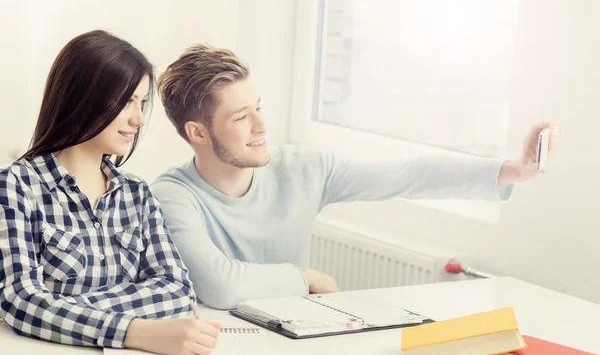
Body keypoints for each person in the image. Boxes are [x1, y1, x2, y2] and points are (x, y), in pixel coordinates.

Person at [152, 44, 561, 310]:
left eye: (258, 107)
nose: (262, 126)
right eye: (242, 117)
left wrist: (513, 170)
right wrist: (308, 278)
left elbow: (407, 175)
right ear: (198, 133)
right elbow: (221, 286)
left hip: (301, 333)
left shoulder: (301, 169)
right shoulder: (171, 197)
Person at [0, 31, 220, 354]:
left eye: (141, 102)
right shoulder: (16, 186)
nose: (139, 118)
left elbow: (177, 290)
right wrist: (135, 331)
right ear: (82, 97)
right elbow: (21, 299)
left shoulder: (137, 195)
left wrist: (63, 309)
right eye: (126, 101)